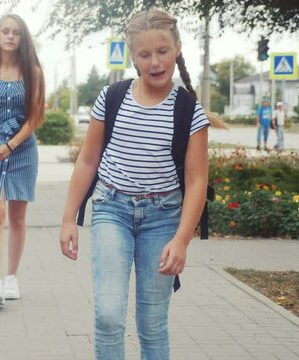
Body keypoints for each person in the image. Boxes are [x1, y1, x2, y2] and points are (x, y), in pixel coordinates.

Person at [59, 9, 226, 360]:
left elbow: (197, 181)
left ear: (177, 48)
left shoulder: (188, 110)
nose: (155, 62)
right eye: (145, 54)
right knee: (107, 315)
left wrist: (181, 240)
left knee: (152, 324)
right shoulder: (112, 97)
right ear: (132, 56)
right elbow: (88, 161)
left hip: (164, 219)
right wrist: (68, 218)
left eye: (162, 51)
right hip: (112, 210)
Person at [0, 14, 45, 306]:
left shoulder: (33, 73)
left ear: (22, 37)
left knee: (17, 216)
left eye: (16, 32)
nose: (10, 36)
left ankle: (11, 277)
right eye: (5, 31)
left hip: (22, 149)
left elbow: (35, 116)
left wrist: (11, 145)